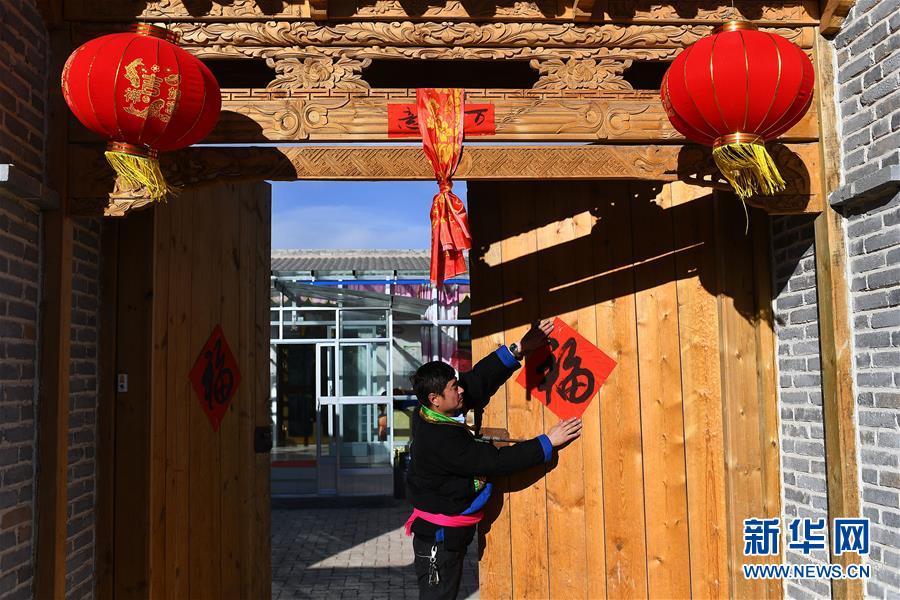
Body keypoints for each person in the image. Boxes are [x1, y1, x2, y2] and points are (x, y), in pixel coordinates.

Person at [404, 319, 583, 599]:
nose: (461, 390)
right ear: (435, 398)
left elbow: (477, 381)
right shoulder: (440, 439)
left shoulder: (428, 411)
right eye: (454, 387)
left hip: (446, 534)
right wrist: (548, 442)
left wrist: (517, 350)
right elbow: (497, 461)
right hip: (438, 540)